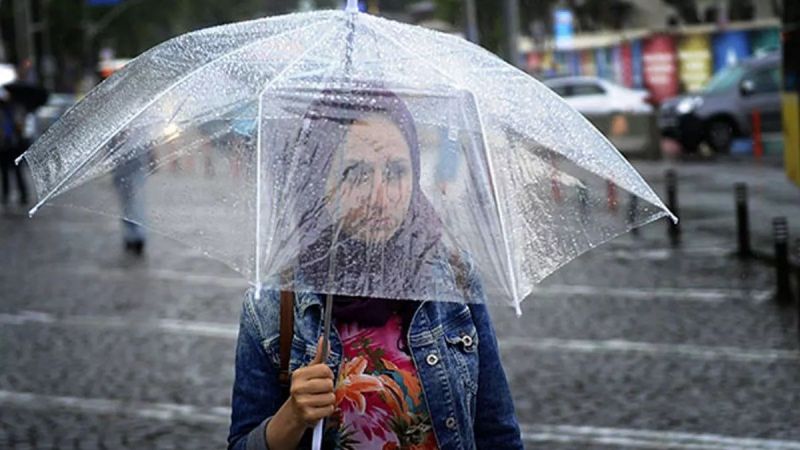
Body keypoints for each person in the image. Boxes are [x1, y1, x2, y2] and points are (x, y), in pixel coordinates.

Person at [227, 87, 522, 450]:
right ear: (320, 179)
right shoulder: (273, 305)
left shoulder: (453, 280)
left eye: (396, 172)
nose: (380, 198)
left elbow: (497, 434)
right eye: (357, 174)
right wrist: (290, 419)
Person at [0, 88, 28, 207]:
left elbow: (21, 126)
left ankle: (23, 195)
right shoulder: (1, 111)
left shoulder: (16, 109)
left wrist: (19, 125)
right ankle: (5, 195)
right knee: (5, 172)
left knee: (17, 172)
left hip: (15, 145)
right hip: (3, 146)